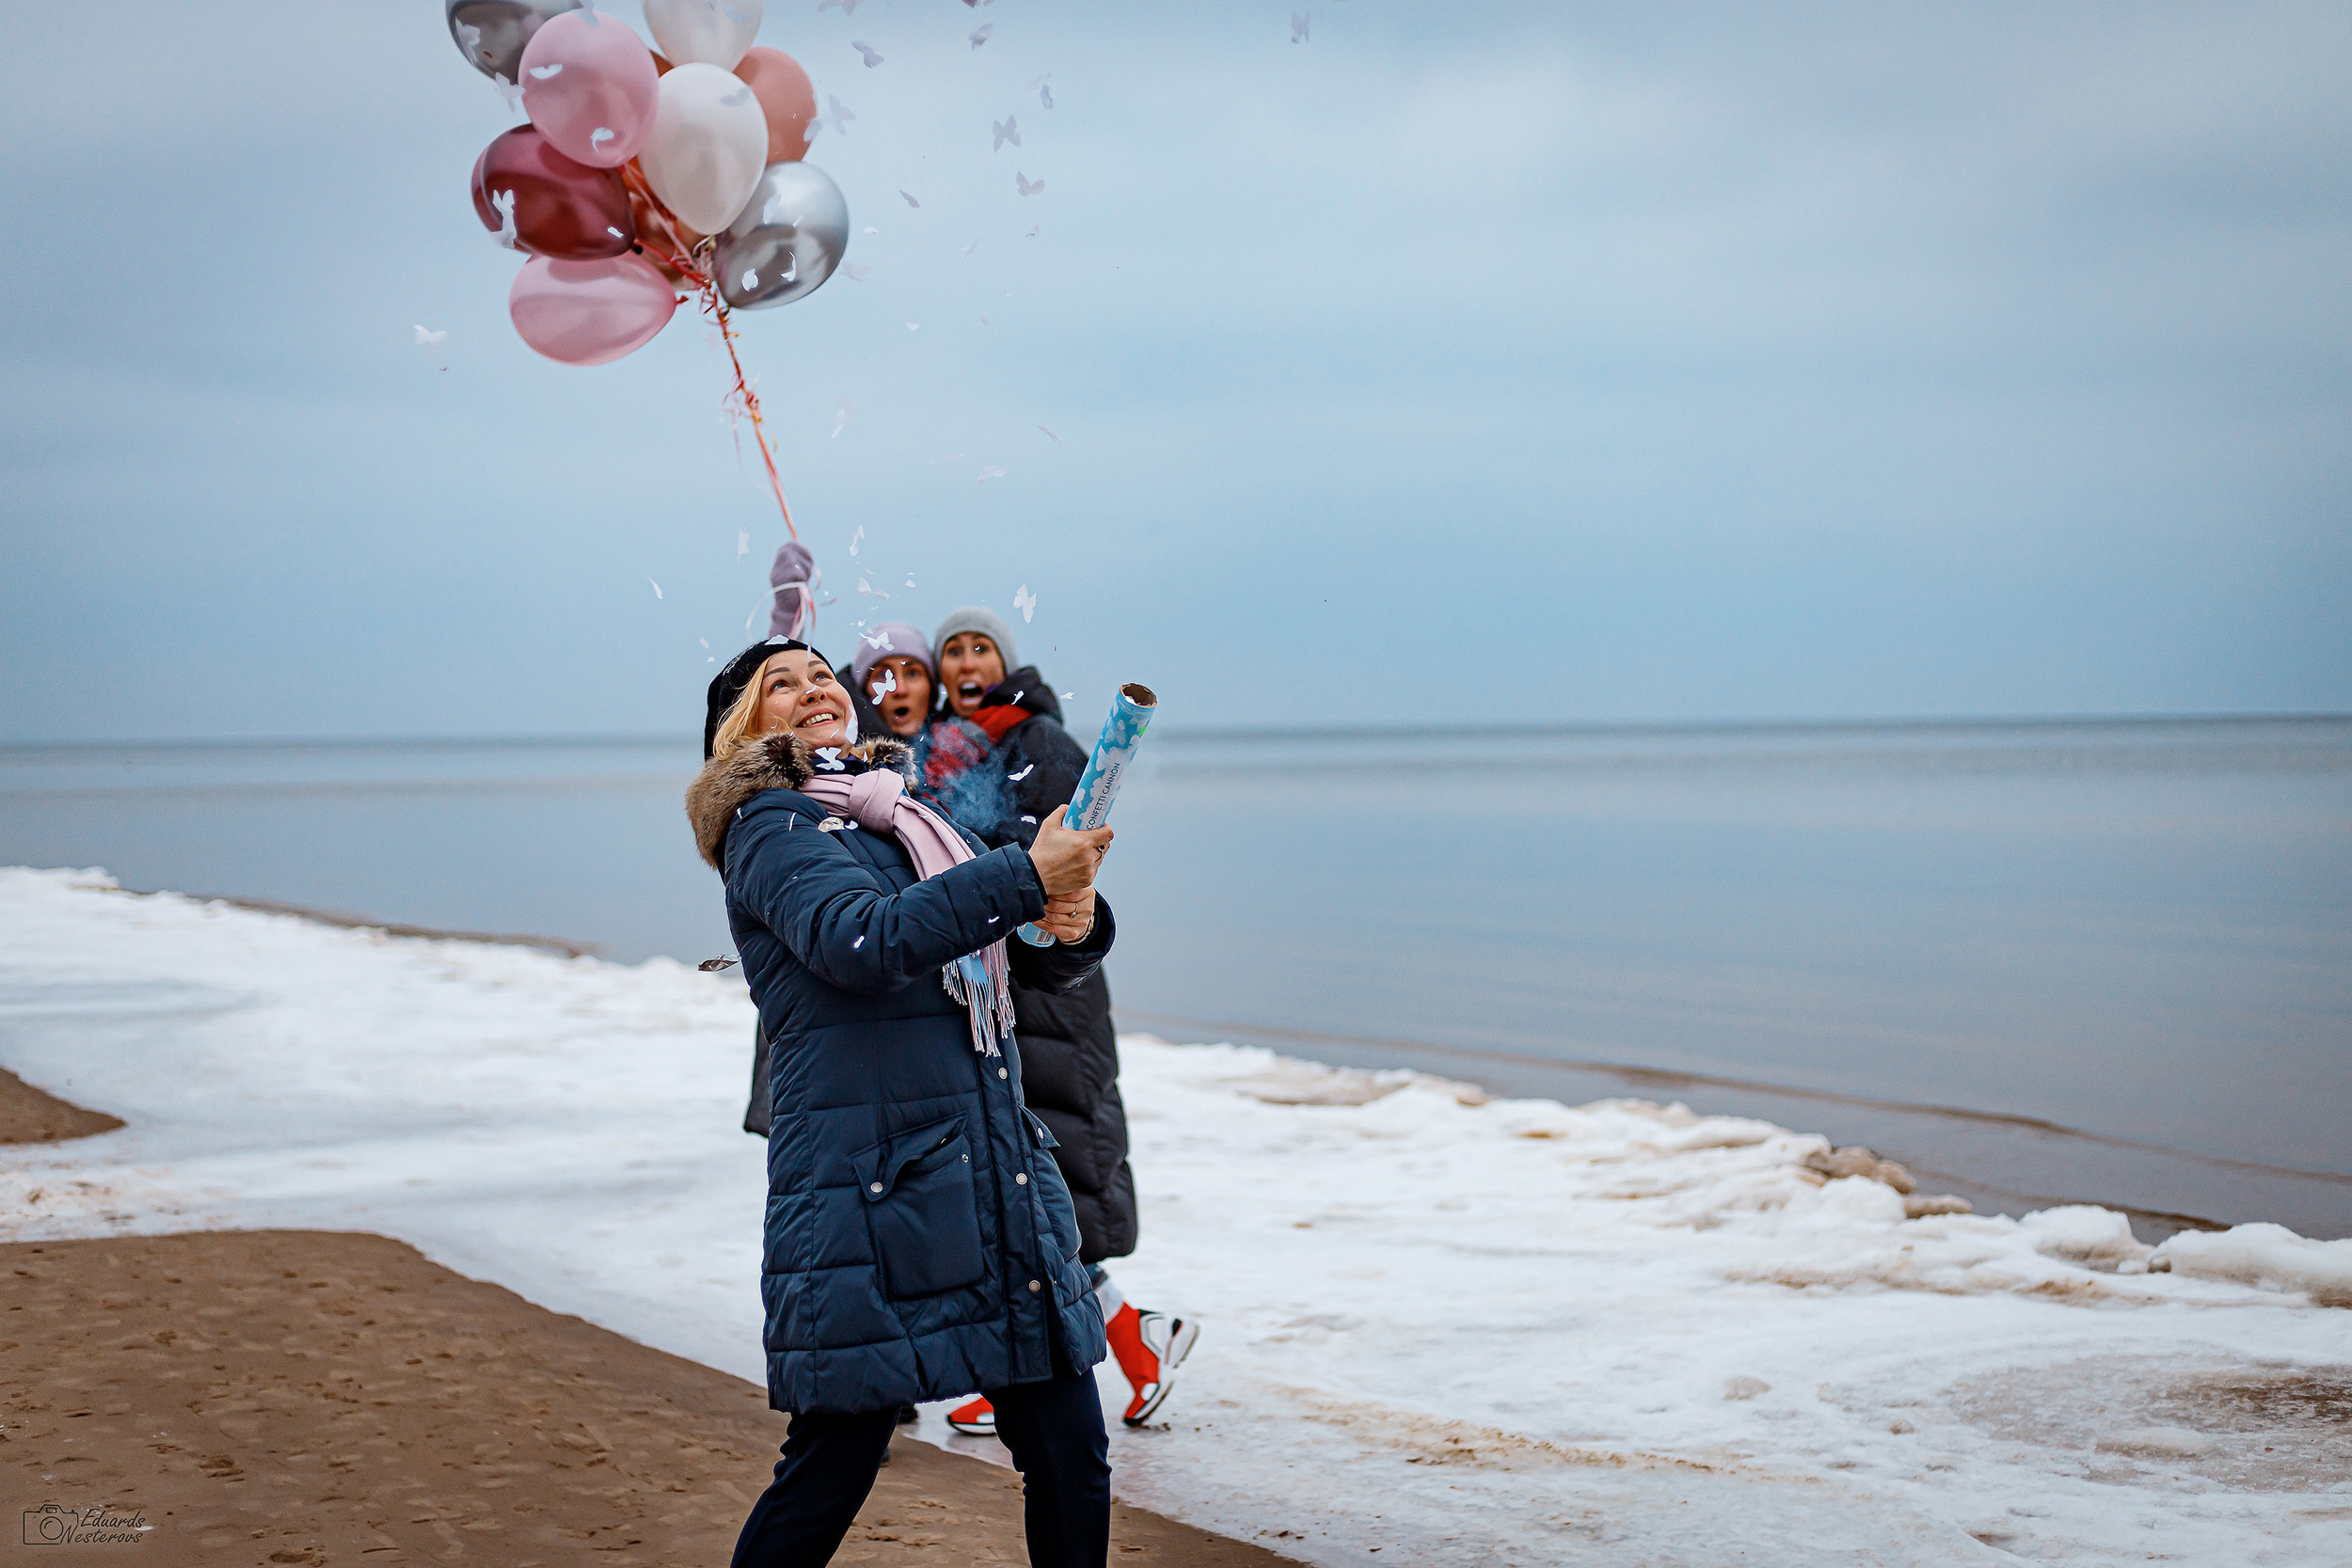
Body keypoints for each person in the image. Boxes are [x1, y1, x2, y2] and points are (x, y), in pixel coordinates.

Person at [688, 634, 1118, 1568]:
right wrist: (1024, 877)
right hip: (872, 1194)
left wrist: (1066, 921)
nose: (813, 687)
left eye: (819, 673)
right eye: (780, 683)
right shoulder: (770, 826)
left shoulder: (907, 815)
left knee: (1072, 1456)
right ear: (742, 728)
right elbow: (863, 940)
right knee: (833, 1462)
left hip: (990, 1173)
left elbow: (1004, 963)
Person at [913, 608, 1199, 1435]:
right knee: (1015, 1192)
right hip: (989, 985)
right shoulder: (945, 748)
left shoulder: (1040, 743)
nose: (966, 662)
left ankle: (1062, 1360)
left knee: (1044, 1188)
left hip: (1050, 994)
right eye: (953, 650)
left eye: (981, 647)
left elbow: (1068, 859)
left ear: (1005, 662)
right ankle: (1133, 1339)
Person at [850, 621, 936, 739]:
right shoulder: (836, 749)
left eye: (913, 673)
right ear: (863, 693)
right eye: (882, 676)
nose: (900, 690)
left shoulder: (959, 743)